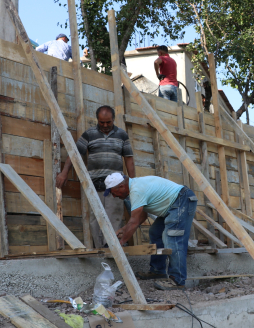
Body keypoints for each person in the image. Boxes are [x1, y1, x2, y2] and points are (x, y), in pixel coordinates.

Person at [56, 106, 135, 248]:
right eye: (101, 122)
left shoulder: (122, 135)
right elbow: (75, 154)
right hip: (94, 185)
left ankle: (113, 250)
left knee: (114, 218)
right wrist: (64, 172)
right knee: (95, 220)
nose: (105, 125)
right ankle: (101, 251)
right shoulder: (89, 134)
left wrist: (134, 182)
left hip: (116, 188)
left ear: (113, 120)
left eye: (108, 122)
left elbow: (129, 159)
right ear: (97, 120)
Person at [105, 172, 197, 291]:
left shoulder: (136, 190)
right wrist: (124, 230)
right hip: (173, 205)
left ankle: (177, 280)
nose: (114, 196)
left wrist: (120, 243)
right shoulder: (136, 187)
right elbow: (141, 217)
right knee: (155, 232)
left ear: (121, 187)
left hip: (181, 200)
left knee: (173, 239)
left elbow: (133, 222)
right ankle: (158, 271)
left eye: (113, 192)